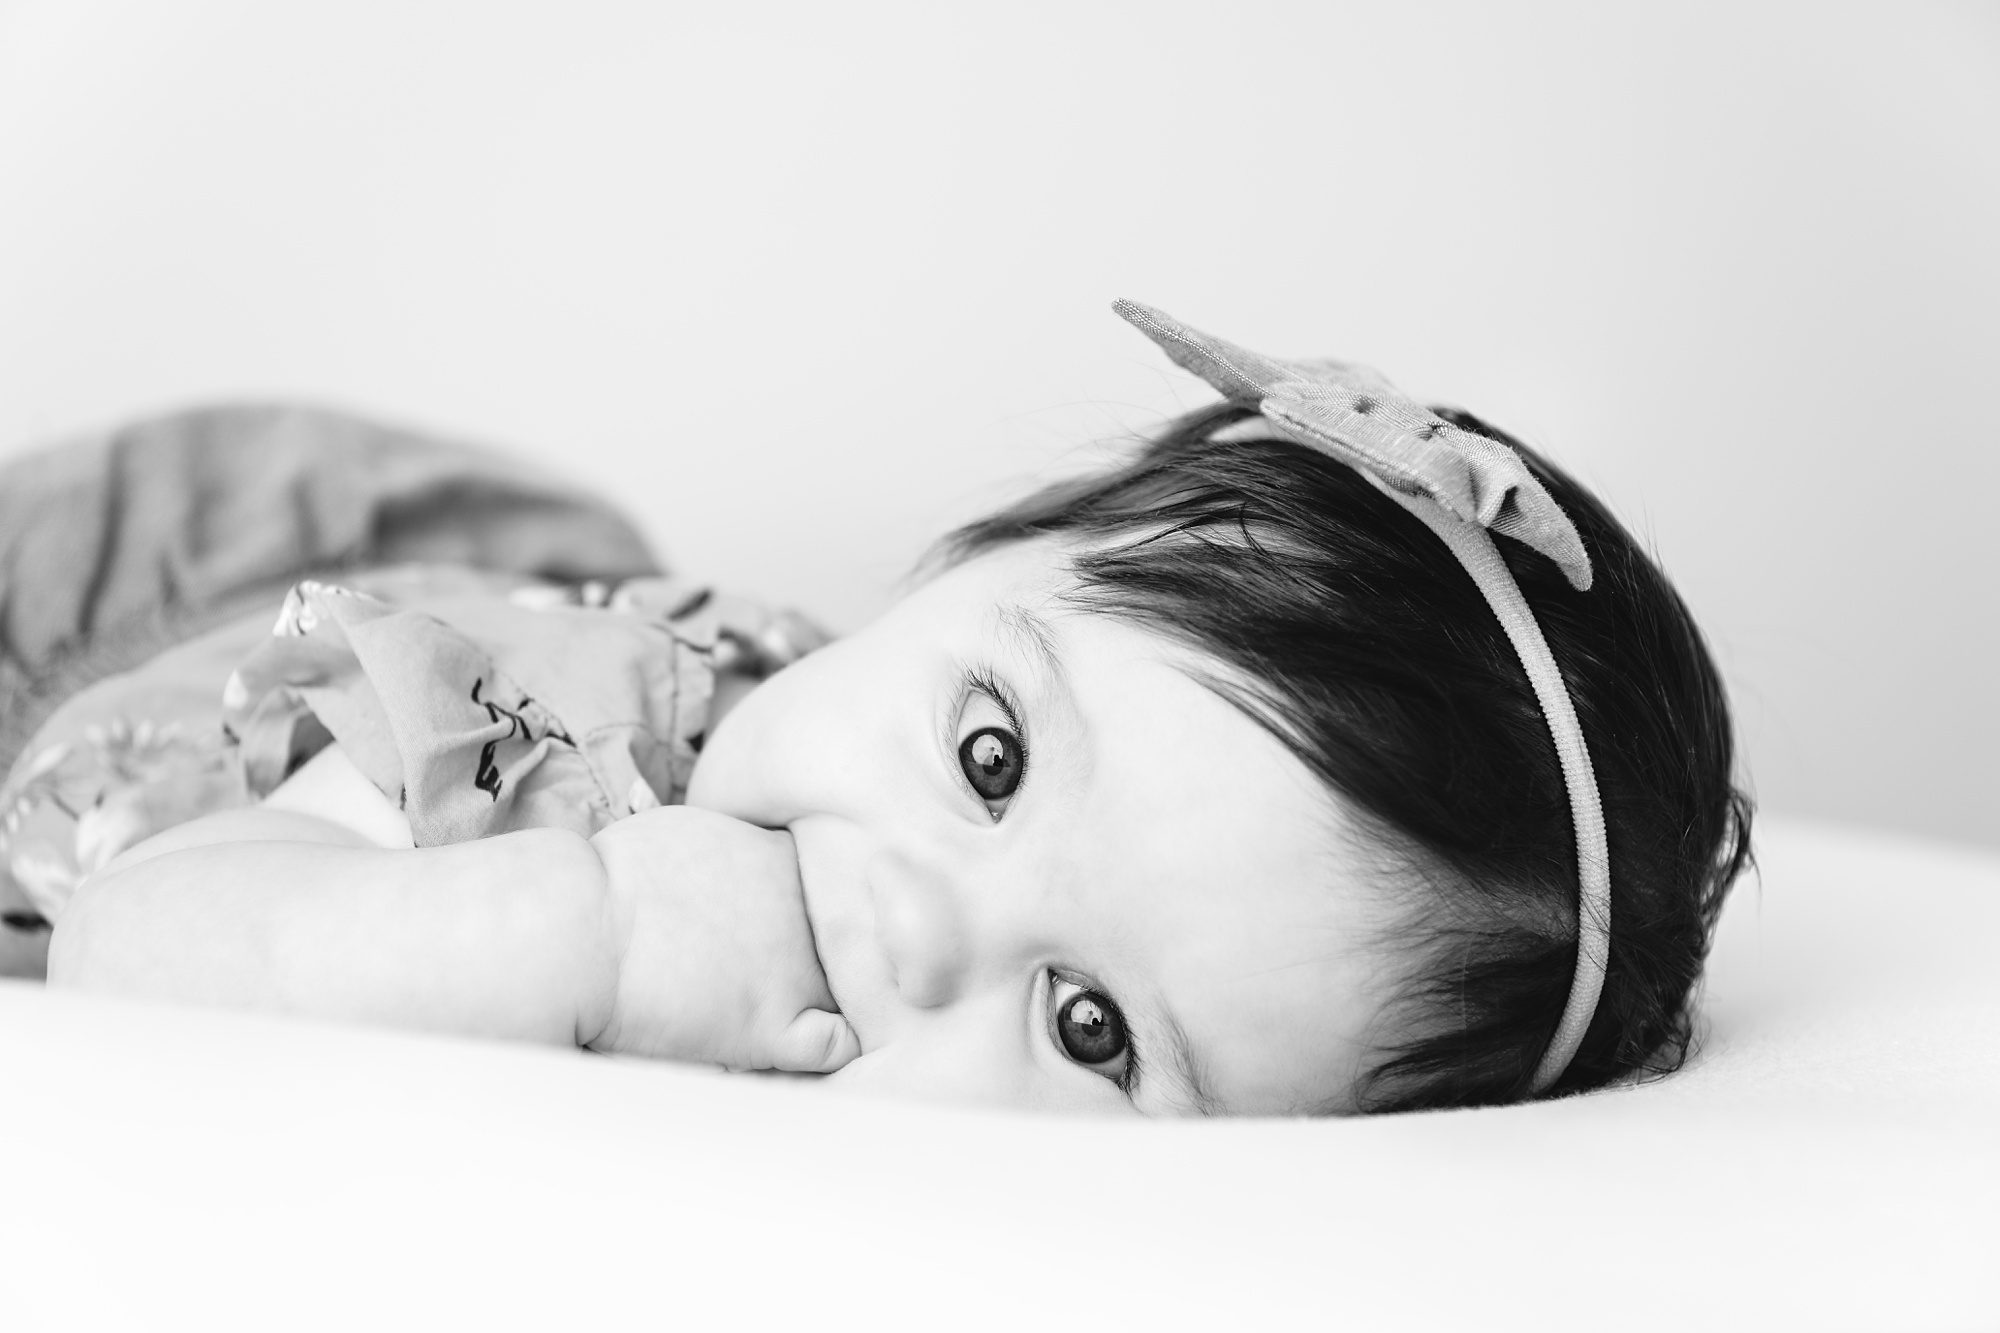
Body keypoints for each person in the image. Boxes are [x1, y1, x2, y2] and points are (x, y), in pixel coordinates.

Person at [6, 303, 1752, 1115]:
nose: (922, 934)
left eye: (1091, 1030)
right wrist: (575, 929)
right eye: (986, 756)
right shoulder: (532, 738)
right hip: (148, 603)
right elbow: (140, 939)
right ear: (957, 568)